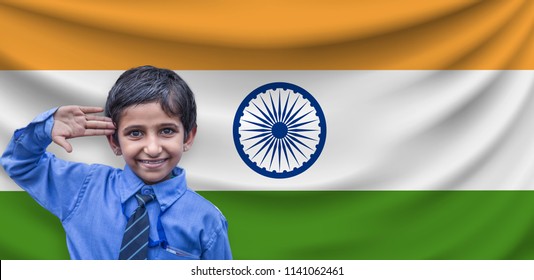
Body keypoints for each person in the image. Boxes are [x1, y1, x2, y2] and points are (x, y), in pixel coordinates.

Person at [0, 65, 232, 260]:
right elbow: (19, 163)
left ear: (188, 137)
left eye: (167, 130)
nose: (152, 148)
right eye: (135, 133)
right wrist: (44, 128)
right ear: (114, 141)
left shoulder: (207, 220)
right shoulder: (83, 188)